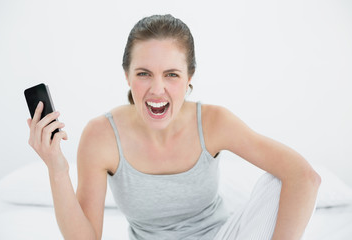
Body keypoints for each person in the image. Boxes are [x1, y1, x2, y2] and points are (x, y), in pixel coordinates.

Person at [27, 14, 321, 240]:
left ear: (189, 77)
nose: (157, 89)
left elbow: (305, 177)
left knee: (279, 179)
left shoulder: (214, 122)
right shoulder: (101, 135)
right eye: (144, 73)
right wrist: (57, 169)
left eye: (171, 74)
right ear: (127, 76)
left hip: (222, 236)